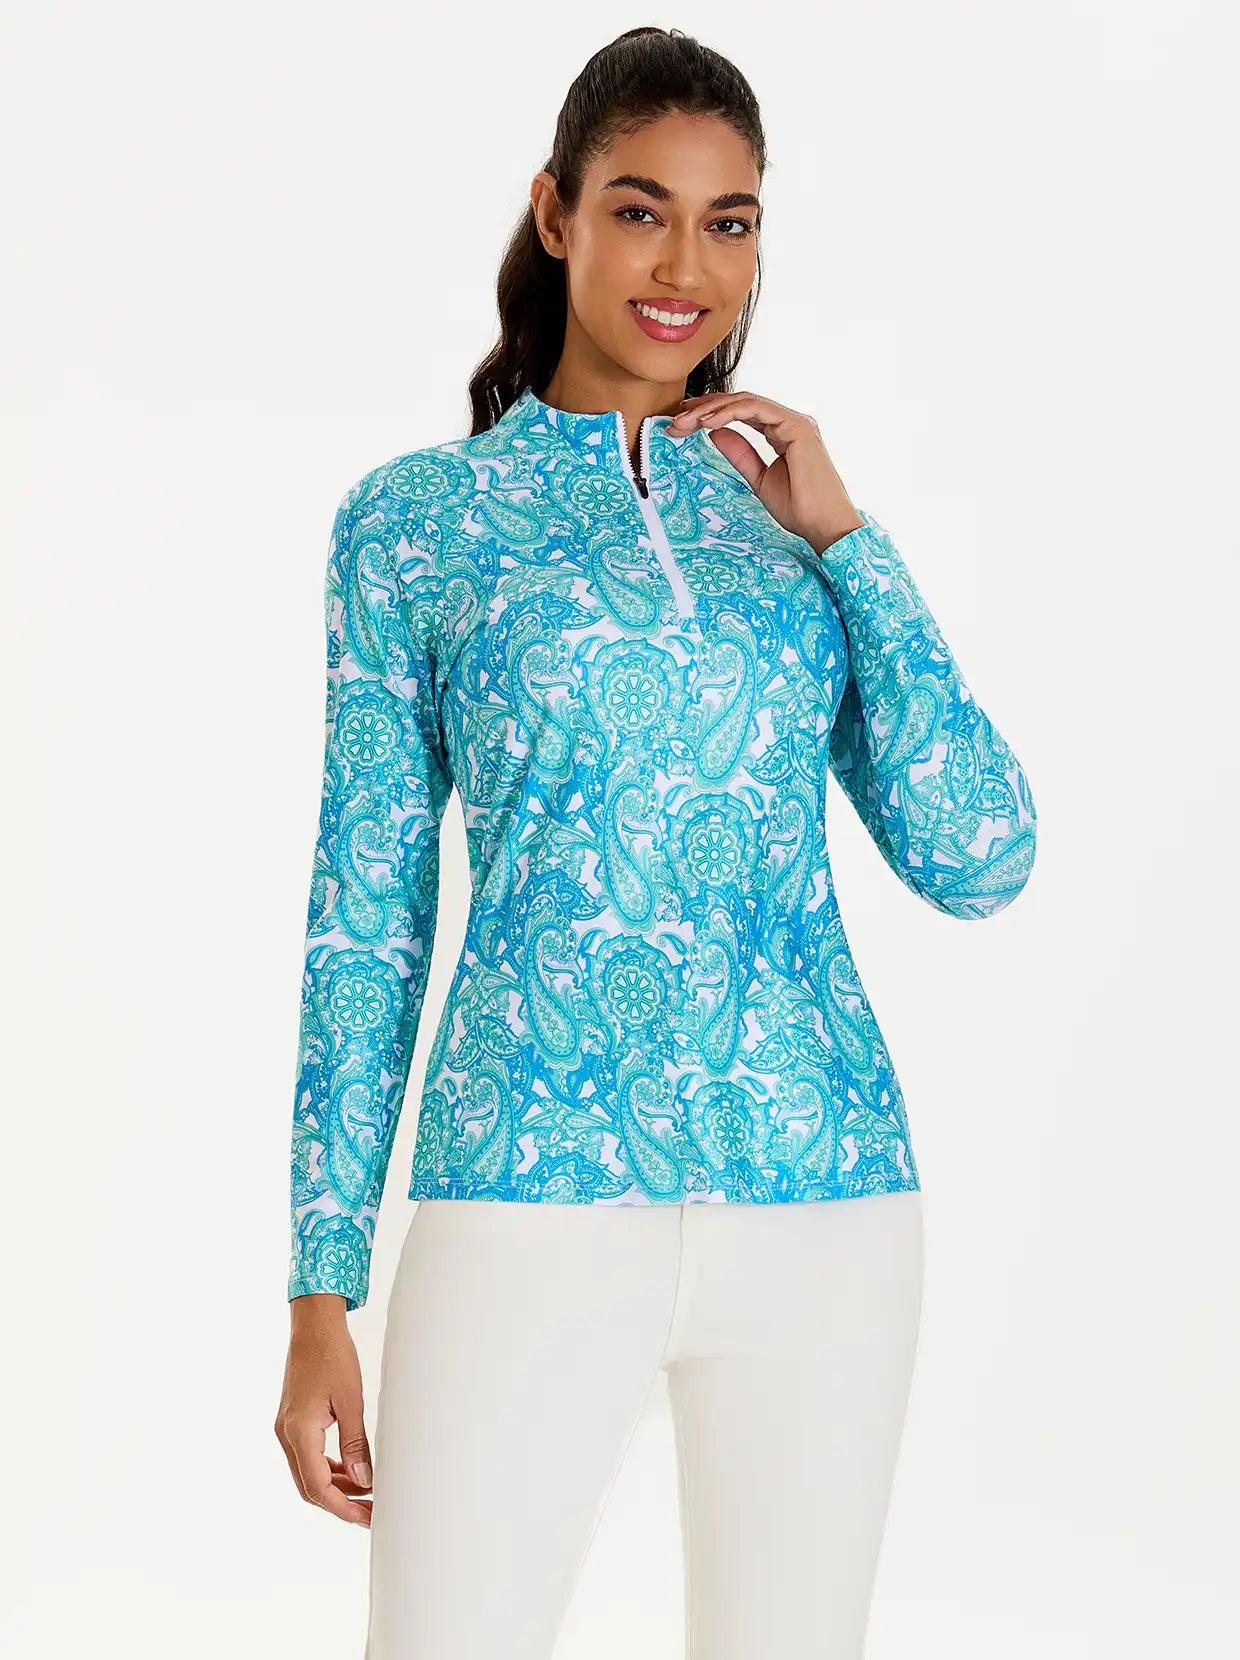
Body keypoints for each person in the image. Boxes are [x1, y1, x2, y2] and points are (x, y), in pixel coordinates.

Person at [274, 25, 1037, 1659]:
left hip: (827, 1199)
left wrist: (848, 540)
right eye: (641, 210)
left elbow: (981, 855)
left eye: (728, 222)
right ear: (555, 213)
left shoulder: (792, 529)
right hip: (524, 1186)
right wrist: (321, 1281)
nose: (686, 266)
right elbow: (366, 912)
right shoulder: (417, 523)